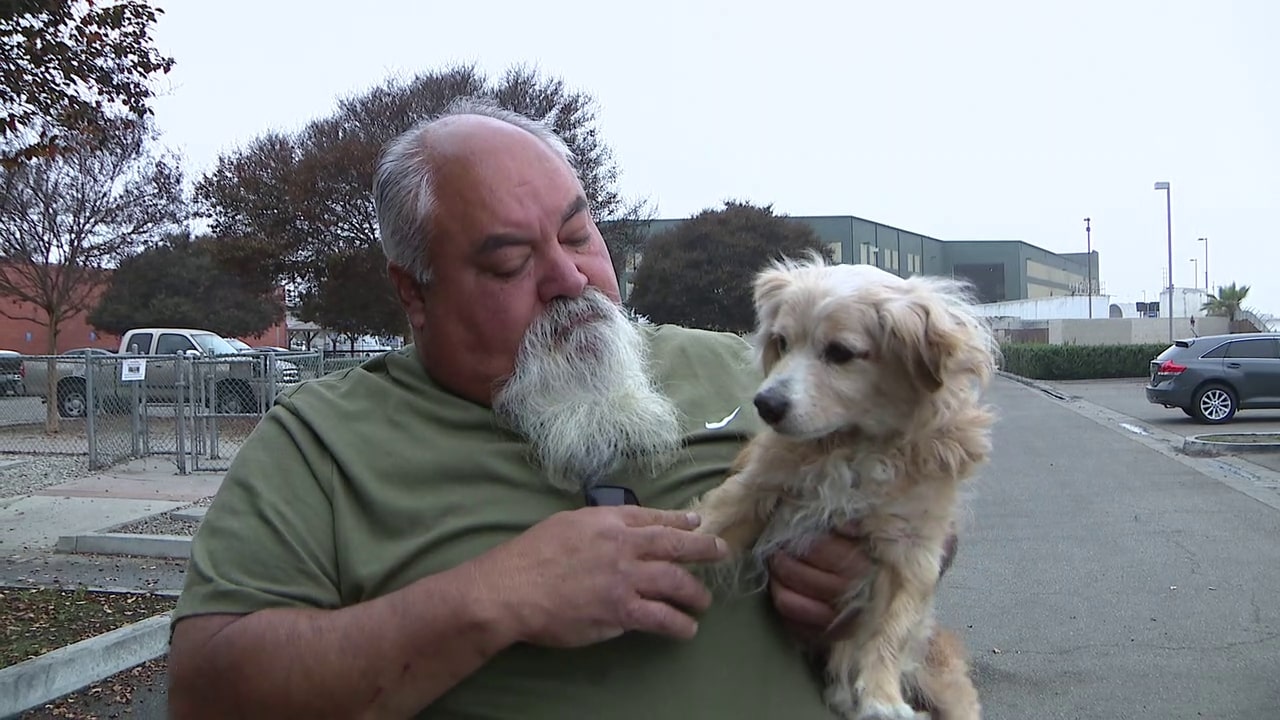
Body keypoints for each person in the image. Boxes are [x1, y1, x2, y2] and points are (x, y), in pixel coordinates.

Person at [166, 97, 957, 719]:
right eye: (510, 261)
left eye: (579, 234)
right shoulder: (321, 445)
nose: (570, 278)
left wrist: (862, 573)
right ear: (413, 290)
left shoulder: (747, 372)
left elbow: (927, 485)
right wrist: (493, 598)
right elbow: (209, 694)